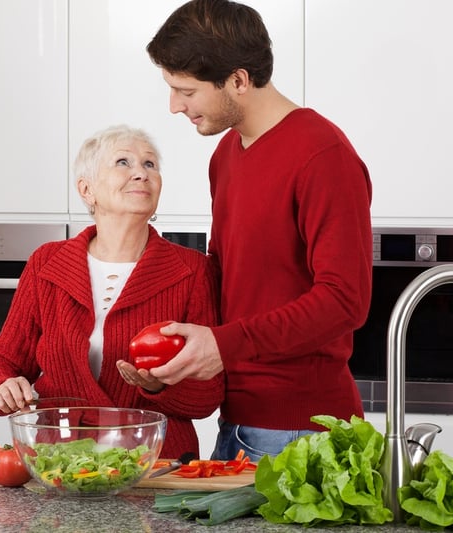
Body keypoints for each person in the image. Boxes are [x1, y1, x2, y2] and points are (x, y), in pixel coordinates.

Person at [145, 0, 373, 462]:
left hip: (303, 435)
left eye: (185, 90)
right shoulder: (225, 155)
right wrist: (174, 358)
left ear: (239, 81)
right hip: (237, 424)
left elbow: (345, 299)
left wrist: (224, 345)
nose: (174, 106)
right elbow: (230, 283)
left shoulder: (322, 156)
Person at [0, 125, 224, 459]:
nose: (141, 173)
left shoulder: (193, 271)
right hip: (62, 463)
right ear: (87, 189)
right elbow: (3, 360)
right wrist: (1, 384)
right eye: (123, 162)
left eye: (150, 164)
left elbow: (207, 394)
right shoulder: (46, 263)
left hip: (157, 466)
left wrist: (157, 386)